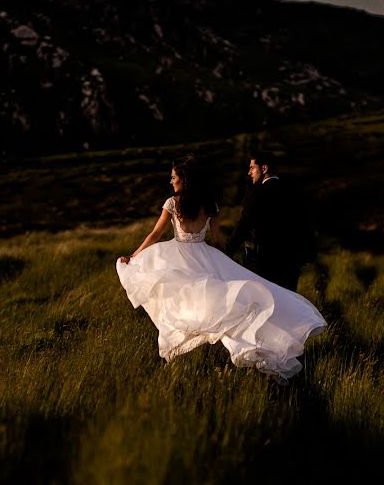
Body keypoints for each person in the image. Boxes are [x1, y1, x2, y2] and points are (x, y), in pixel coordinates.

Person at [116, 154, 326, 381]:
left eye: (173, 177)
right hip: (206, 257)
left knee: (185, 306)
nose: (171, 181)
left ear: (183, 180)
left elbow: (155, 234)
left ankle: (200, 357)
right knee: (219, 307)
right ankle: (228, 351)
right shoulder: (210, 205)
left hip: (179, 257)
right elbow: (217, 240)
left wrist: (134, 255)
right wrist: (225, 259)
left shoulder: (172, 203)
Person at [226, 151, 315, 292]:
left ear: (264, 168)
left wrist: (227, 251)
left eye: (252, 168)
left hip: (262, 263)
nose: (249, 173)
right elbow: (305, 224)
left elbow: (244, 224)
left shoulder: (257, 193)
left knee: (263, 306)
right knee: (288, 306)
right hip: (290, 263)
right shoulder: (294, 191)